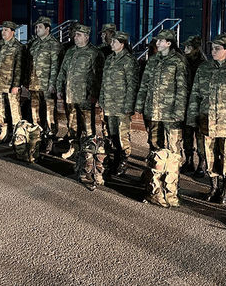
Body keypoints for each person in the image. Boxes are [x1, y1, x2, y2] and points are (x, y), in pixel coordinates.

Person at [187, 33, 226, 204]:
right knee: (209, 155)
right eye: (212, 48)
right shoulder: (203, 68)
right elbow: (195, 95)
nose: (213, 51)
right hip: (207, 120)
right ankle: (214, 187)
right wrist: (192, 118)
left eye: (217, 48)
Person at [136, 29, 187, 207]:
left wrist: (179, 112)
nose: (157, 43)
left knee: (173, 152)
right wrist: (140, 105)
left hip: (171, 113)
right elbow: (144, 84)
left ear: (169, 43)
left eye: (160, 40)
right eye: (157, 41)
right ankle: (154, 189)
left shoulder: (178, 61)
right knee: (154, 148)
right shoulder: (153, 60)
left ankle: (171, 191)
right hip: (153, 112)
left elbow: (182, 88)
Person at [56, 24, 104, 160]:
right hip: (70, 95)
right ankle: (74, 148)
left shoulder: (95, 53)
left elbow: (98, 77)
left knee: (88, 127)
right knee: (72, 124)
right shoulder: (70, 51)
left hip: (85, 97)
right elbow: (63, 71)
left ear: (86, 37)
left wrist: (94, 94)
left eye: (79, 35)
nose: (75, 37)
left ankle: (89, 153)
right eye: (75, 34)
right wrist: (59, 88)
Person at [99, 31, 140, 177]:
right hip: (110, 104)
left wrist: (129, 105)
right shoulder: (110, 59)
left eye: (114, 42)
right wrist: (102, 99)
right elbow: (104, 81)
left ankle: (124, 160)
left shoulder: (129, 60)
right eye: (111, 41)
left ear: (122, 44)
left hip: (122, 105)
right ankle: (115, 158)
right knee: (113, 134)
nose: (111, 44)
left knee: (123, 135)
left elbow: (132, 85)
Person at [25, 16, 63, 144]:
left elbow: (55, 66)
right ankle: (37, 136)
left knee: (49, 113)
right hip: (34, 83)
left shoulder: (54, 44)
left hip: (47, 85)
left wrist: (52, 84)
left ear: (47, 29)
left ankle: (50, 138)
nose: (37, 29)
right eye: (36, 27)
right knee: (34, 111)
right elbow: (29, 64)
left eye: (40, 27)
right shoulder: (34, 44)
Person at [0, 21, 25, 141]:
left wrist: (16, 85)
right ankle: (3, 130)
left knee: (14, 110)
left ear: (13, 32)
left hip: (10, 84)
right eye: (2, 30)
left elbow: (19, 68)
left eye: (6, 30)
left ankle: (17, 134)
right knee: (0, 108)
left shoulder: (18, 47)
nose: (3, 32)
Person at [180, 35, 207, 177]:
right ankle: (189, 160)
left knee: (200, 135)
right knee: (187, 134)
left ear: (196, 49)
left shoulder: (203, 64)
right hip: (185, 103)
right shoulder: (184, 62)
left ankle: (201, 163)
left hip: (198, 104)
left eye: (188, 47)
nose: (185, 50)